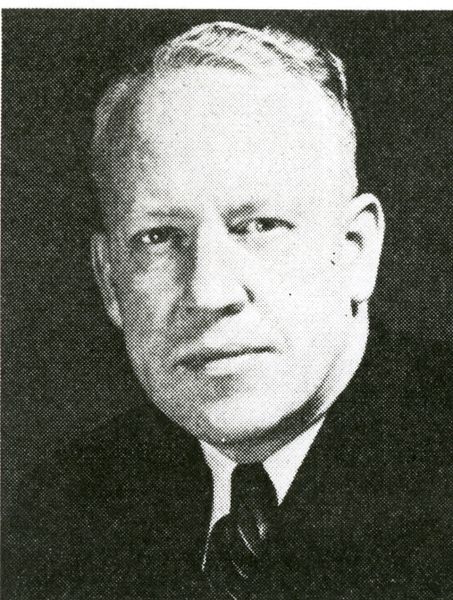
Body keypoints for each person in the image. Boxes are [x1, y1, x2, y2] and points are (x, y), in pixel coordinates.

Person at [5, 21, 452, 600]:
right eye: (158, 238)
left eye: (259, 226)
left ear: (354, 251)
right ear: (110, 280)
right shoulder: (61, 510)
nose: (208, 292)